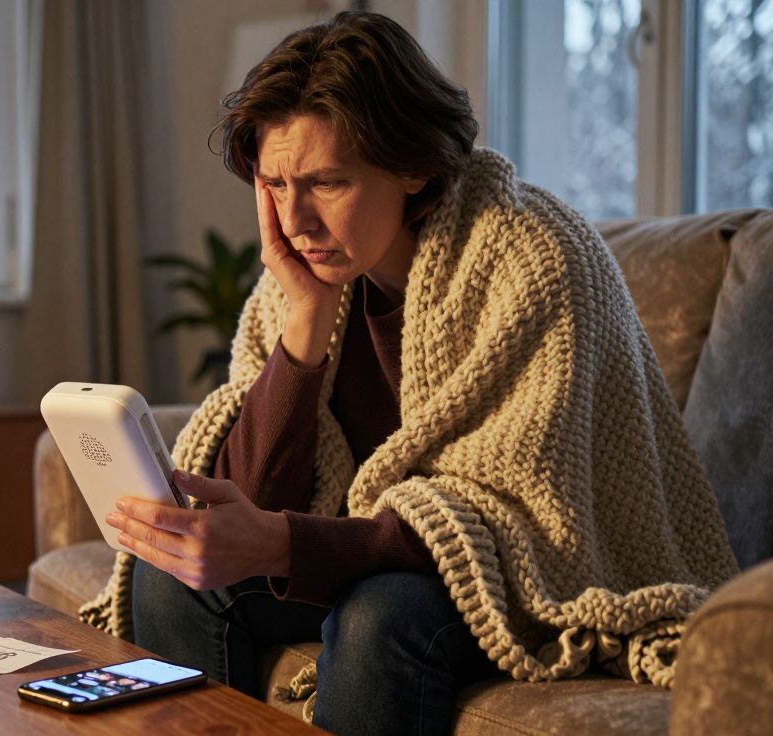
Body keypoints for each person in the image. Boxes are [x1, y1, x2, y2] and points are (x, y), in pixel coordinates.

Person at [89, 11, 737, 736]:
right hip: (370, 552)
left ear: (414, 165)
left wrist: (282, 543)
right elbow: (254, 499)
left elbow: (519, 521)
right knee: (171, 579)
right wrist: (303, 331)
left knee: (378, 618)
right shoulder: (293, 282)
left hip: (524, 574)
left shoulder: (532, 258)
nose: (295, 219)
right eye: (274, 183)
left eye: (327, 181)